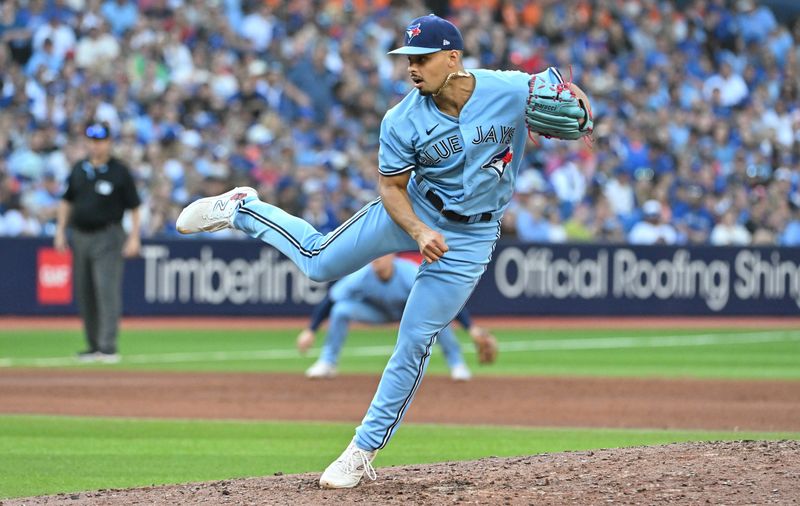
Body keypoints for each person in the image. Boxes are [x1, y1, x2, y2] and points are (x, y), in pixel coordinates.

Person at [176, 14, 584, 488]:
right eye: (408, 59)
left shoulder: (508, 89)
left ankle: (360, 451)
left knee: (414, 340)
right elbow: (390, 186)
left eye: (423, 58)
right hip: (412, 209)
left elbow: (567, 96)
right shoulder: (402, 119)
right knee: (317, 263)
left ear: (453, 58)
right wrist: (416, 231)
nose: (413, 67)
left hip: (472, 237)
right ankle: (243, 208)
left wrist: (581, 108)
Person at [298, 253, 496, 381]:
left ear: (392, 255)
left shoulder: (408, 272)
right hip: (377, 313)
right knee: (341, 310)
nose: (376, 259)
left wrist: (470, 328)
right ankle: (327, 362)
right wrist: (311, 330)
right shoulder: (362, 275)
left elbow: (440, 299)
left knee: (435, 314)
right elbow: (331, 299)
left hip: (408, 313)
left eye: (381, 255)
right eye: (372, 256)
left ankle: (457, 364)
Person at [54, 121, 141, 363]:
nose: (96, 145)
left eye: (100, 140)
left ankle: (108, 346)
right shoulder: (79, 169)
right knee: (85, 292)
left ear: (109, 142)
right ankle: (93, 346)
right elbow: (66, 201)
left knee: (106, 290)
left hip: (109, 236)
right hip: (80, 235)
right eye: (92, 140)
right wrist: (60, 231)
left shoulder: (119, 171)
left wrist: (134, 237)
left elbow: (135, 206)